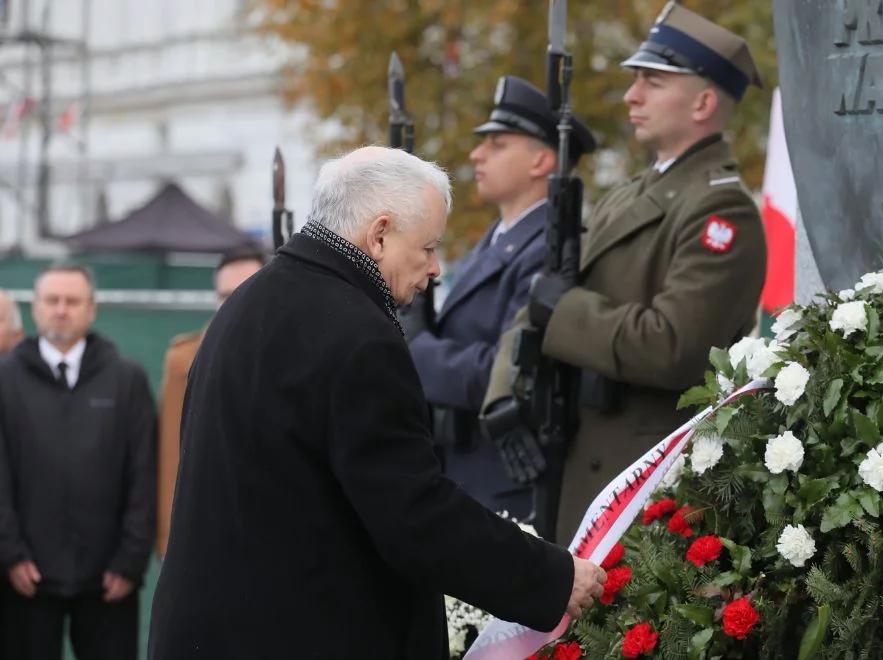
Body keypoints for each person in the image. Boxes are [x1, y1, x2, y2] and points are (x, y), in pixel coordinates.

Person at [149, 146, 606, 659]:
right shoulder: (357, 334)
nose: (435, 269)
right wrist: (552, 576)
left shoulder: (251, 302)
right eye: (428, 247)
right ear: (380, 233)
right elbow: (412, 513)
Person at [483, 2, 769, 543]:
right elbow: (542, 298)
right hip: (579, 465)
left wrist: (563, 312)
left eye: (652, 82)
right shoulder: (630, 194)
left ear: (704, 101)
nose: (631, 96)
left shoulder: (719, 212)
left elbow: (673, 347)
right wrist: (503, 392)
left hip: (642, 484)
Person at [403, 76, 596, 519]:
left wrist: (415, 350)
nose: (477, 154)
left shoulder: (548, 251)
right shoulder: (495, 242)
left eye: (498, 143)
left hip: (506, 483)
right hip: (465, 470)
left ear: (542, 160)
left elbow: (505, 370)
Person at [0, 264, 155, 660]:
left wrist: (130, 561)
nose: (62, 309)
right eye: (52, 300)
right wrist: (11, 555)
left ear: (92, 309)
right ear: (35, 308)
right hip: (26, 580)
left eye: (73, 301)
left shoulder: (127, 379)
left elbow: (142, 474)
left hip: (108, 580)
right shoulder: (5, 379)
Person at [156, 246, 265, 558]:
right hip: (207, 537)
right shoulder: (185, 360)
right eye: (224, 294)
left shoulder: (297, 354)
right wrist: (169, 540)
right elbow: (172, 455)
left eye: (245, 291)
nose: (233, 304)